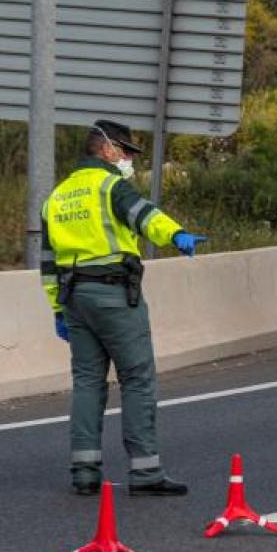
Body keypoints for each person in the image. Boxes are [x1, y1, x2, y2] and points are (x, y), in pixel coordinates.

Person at [40, 120, 208, 497]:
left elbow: (47, 262)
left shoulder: (56, 197)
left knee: (87, 382)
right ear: (107, 149)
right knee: (137, 378)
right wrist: (177, 235)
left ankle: (84, 471)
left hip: (74, 299)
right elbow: (144, 215)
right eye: (126, 152)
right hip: (113, 294)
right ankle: (146, 471)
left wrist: (57, 310)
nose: (128, 159)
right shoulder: (109, 186)